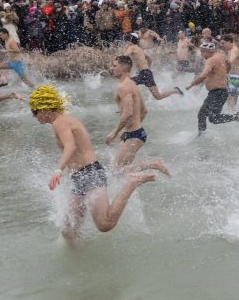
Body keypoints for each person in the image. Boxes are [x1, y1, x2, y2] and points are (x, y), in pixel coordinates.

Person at [29, 84, 159, 244]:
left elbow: (70, 146)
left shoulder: (59, 122)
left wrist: (57, 170)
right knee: (68, 229)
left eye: (35, 111)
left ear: (45, 108)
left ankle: (132, 182)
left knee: (105, 224)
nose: (34, 116)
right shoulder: (64, 120)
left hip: (90, 174)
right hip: (80, 176)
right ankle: (76, 261)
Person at [103, 55, 170, 176]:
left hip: (133, 135)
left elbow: (128, 112)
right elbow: (144, 110)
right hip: (135, 133)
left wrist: (114, 132)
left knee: (116, 172)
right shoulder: (132, 84)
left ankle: (154, 163)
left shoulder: (123, 87)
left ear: (123, 68)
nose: (111, 68)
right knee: (123, 172)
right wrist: (131, 128)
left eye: (114, 66)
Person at [186, 40, 239, 135]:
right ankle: (235, 117)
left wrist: (192, 84)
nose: (202, 55)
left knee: (206, 116)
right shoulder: (221, 56)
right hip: (221, 91)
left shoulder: (210, 60)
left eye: (202, 52)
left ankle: (202, 136)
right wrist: (223, 73)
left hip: (217, 92)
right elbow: (229, 64)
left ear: (207, 51)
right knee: (210, 117)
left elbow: (203, 75)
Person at [124, 33, 182, 101]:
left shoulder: (132, 47)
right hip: (146, 73)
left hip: (144, 73)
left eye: (126, 41)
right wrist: (146, 70)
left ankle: (128, 105)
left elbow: (125, 56)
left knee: (125, 84)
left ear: (130, 40)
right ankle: (175, 91)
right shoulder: (139, 49)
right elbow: (149, 60)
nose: (125, 43)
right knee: (158, 96)